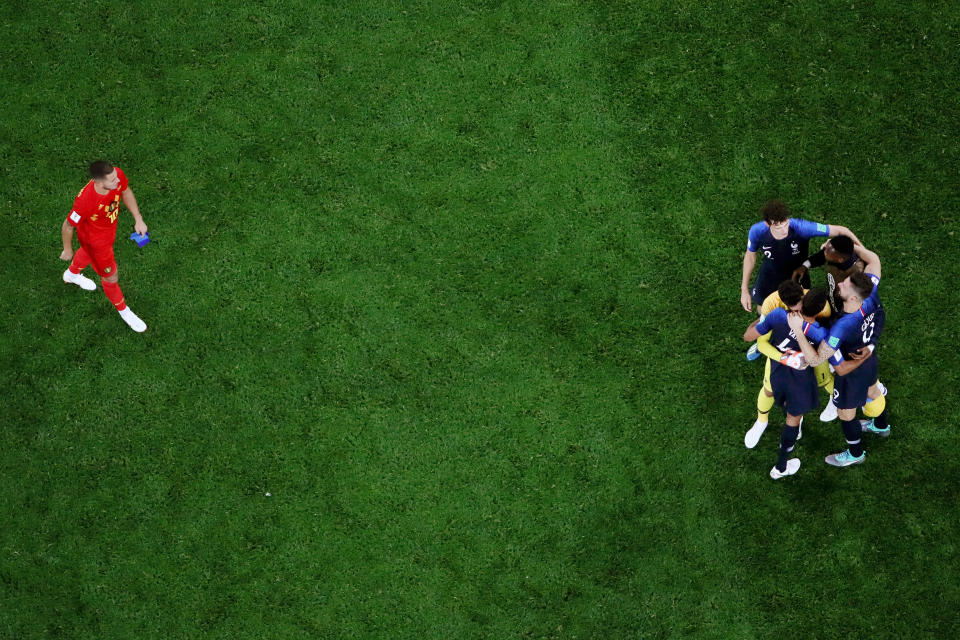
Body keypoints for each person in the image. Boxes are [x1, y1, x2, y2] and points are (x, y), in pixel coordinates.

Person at [787, 246, 890, 468]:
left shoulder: (841, 328)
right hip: (869, 359)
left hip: (852, 371)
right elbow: (874, 258)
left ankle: (855, 453)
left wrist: (797, 329)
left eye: (845, 284)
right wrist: (846, 243)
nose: (840, 283)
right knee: (873, 390)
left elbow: (816, 360)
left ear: (852, 297)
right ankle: (881, 426)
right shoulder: (871, 293)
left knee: (845, 412)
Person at [740, 200, 860, 360]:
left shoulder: (802, 228)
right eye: (778, 226)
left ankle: (794, 342)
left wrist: (861, 250)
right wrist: (744, 289)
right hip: (769, 278)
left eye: (786, 224)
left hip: (797, 278)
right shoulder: (757, 231)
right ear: (768, 224)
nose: (784, 230)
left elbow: (842, 230)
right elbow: (750, 256)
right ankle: (764, 340)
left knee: (800, 313)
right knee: (764, 311)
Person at [743, 288, 831, 479]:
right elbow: (817, 359)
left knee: (773, 395)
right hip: (799, 379)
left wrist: (762, 320)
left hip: (777, 372)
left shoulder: (778, 315)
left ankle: (769, 424)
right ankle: (780, 468)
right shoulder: (821, 332)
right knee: (793, 420)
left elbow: (749, 336)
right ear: (819, 311)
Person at [60, 161, 148, 332]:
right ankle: (124, 311)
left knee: (86, 252)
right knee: (111, 277)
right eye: (113, 180)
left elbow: (125, 191)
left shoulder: (115, 177)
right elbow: (68, 225)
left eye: (116, 176)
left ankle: (71, 274)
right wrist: (67, 249)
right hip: (96, 243)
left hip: (106, 233)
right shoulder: (85, 201)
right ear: (99, 182)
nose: (117, 181)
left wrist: (138, 218)